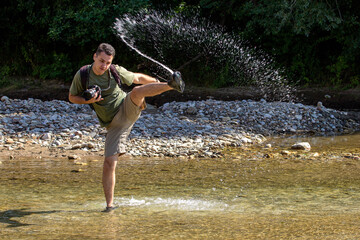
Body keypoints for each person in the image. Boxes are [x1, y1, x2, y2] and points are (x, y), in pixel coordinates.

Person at [68, 43, 184, 212]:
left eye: (108, 62)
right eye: (101, 61)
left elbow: (137, 78)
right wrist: (88, 100)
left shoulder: (114, 70)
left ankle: (171, 85)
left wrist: (157, 83)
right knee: (109, 163)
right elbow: (72, 97)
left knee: (137, 91)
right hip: (113, 124)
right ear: (94, 56)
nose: (104, 66)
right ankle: (109, 206)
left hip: (126, 107)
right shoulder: (83, 75)